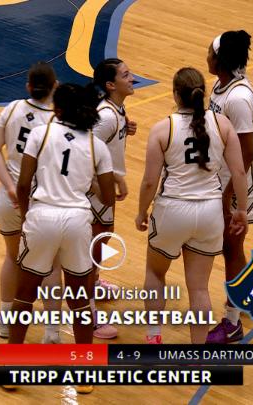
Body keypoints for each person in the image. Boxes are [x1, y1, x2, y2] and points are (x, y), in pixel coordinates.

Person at [9, 83, 115, 393]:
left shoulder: (40, 134)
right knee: (80, 299)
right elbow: (108, 198)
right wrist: (87, 180)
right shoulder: (97, 145)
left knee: (24, 294)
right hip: (78, 221)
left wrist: (27, 216)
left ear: (58, 109)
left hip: (42, 215)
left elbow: (23, 184)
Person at [135, 67, 248, 344]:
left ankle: (154, 338)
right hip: (209, 212)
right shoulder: (222, 124)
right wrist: (241, 210)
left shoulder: (163, 128)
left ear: (176, 94)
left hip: (172, 210)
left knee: (155, 273)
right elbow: (239, 172)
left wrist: (141, 211)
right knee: (199, 289)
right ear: (203, 93)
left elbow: (150, 181)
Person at [0, 62, 62, 343]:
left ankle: (6, 321)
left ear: (29, 86)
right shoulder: (56, 120)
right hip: (43, 200)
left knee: (12, 257)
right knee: (51, 264)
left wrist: (9, 186)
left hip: (11, 199)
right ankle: (51, 332)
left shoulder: (13, 108)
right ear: (55, 86)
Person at [205, 30, 253, 344]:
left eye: (209, 52)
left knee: (230, 246)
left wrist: (229, 192)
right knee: (231, 246)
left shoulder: (239, 98)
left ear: (220, 60)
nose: (206, 56)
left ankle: (231, 322)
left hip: (241, 179)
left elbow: (245, 153)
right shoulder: (220, 86)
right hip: (224, 174)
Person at [87, 58, 137, 339]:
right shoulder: (106, 116)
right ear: (110, 85)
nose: (132, 78)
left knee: (103, 238)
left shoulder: (115, 110)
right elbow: (85, 150)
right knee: (92, 248)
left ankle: (93, 285)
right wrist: (100, 188)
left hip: (105, 186)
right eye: (126, 75)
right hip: (95, 189)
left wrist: (124, 127)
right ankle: (89, 315)